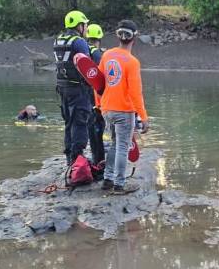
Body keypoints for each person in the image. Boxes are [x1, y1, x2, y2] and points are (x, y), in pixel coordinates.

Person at [98, 20, 149, 194]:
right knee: (122, 146)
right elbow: (135, 93)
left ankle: (107, 179)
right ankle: (119, 185)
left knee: (114, 144)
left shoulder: (107, 55)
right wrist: (143, 117)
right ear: (134, 37)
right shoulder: (132, 62)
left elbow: (98, 83)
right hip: (124, 111)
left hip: (107, 109)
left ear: (118, 36)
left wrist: (99, 104)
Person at [54, 10, 94, 165]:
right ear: (80, 25)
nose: (86, 28)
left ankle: (69, 158)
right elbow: (88, 67)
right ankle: (78, 159)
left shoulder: (58, 40)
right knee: (79, 122)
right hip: (78, 89)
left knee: (69, 122)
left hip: (63, 89)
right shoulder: (79, 42)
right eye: (85, 25)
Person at [86, 24, 106, 173]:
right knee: (98, 129)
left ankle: (95, 160)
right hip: (97, 97)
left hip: (84, 95)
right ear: (99, 38)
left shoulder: (83, 51)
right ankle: (100, 162)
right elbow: (102, 77)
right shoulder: (97, 53)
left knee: (91, 128)